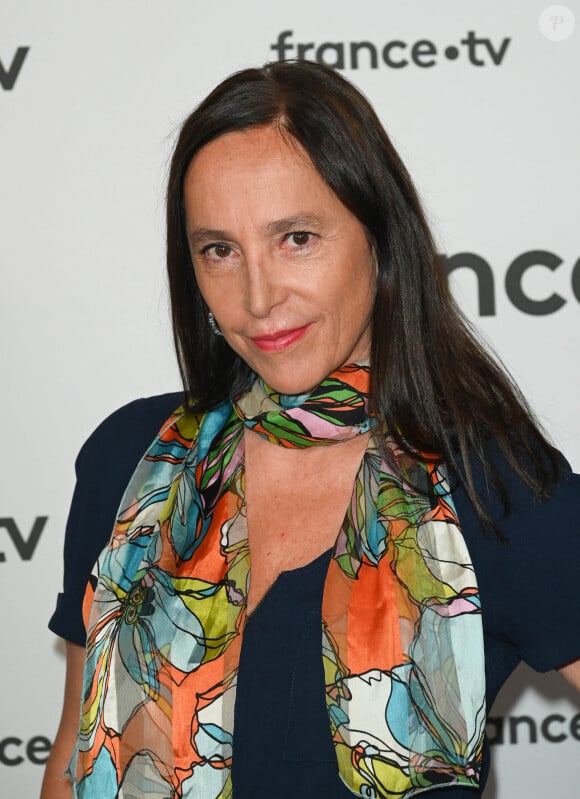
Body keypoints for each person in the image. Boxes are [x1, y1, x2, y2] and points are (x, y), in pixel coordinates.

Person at [41, 60, 580, 799]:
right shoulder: (127, 460)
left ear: (380, 239)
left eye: (296, 238)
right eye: (219, 250)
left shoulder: (493, 486)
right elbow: (71, 762)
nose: (258, 297)